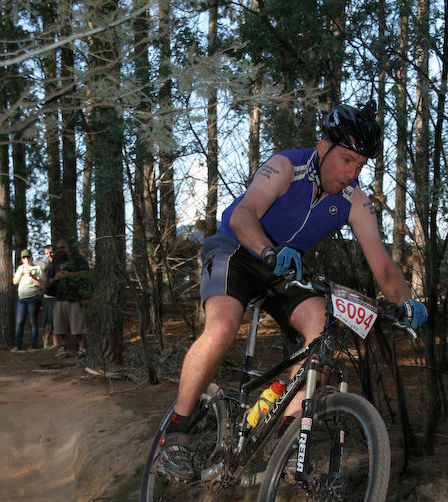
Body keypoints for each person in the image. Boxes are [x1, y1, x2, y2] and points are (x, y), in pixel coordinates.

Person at [160, 100, 428, 481]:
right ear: (324, 147)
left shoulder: (354, 200)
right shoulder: (285, 167)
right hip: (238, 249)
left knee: (321, 329)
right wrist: (267, 250)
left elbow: (383, 266)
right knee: (221, 327)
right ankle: (175, 433)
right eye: (346, 160)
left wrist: (407, 303)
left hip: (284, 267)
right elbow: (243, 214)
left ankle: (285, 441)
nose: (351, 173)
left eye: (360, 165)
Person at [47, 238, 90, 359]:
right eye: (58, 249)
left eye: (62, 247)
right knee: (60, 327)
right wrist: (56, 278)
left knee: (78, 326)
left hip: (74, 297)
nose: (60, 250)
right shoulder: (55, 263)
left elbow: (86, 273)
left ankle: (82, 348)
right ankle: (63, 349)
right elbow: (49, 282)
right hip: (60, 298)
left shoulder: (77, 259)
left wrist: (70, 274)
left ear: (67, 247)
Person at [11, 249, 44, 353]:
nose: (26, 259)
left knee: (33, 322)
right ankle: (17, 345)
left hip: (33, 298)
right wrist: (21, 272)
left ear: (31, 257)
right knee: (19, 322)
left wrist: (31, 275)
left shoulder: (37, 268)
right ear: (22, 259)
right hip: (22, 299)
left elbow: (41, 284)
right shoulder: (20, 268)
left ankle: (33, 345)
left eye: (28, 257)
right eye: (24, 258)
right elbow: (14, 281)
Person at [40, 244, 56, 349]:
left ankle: (55, 343)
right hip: (47, 297)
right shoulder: (45, 265)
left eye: (51, 252)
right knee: (48, 321)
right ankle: (46, 341)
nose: (49, 255)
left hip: (57, 297)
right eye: (46, 253)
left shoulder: (58, 264)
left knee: (54, 321)